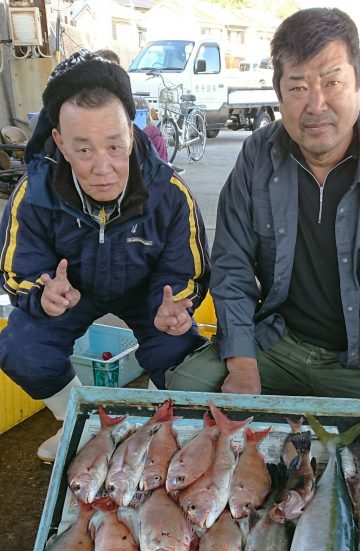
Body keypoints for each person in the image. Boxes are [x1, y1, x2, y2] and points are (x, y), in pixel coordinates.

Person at [167, 7, 360, 467]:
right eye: (297, 87)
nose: (315, 104)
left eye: (332, 81)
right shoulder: (258, 154)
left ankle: (294, 433)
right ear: (278, 93)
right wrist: (242, 364)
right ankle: (331, 437)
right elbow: (234, 266)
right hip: (282, 344)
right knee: (187, 391)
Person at [0, 50, 209, 461]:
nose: (102, 167)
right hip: (72, 293)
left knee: (180, 350)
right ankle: (79, 422)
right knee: (19, 347)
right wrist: (42, 294)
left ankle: (153, 425)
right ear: (59, 141)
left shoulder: (170, 192)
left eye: (114, 146)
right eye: (83, 150)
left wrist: (179, 304)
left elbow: (187, 271)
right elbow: (16, 269)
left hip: (146, 292)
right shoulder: (33, 193)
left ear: (131, 134)